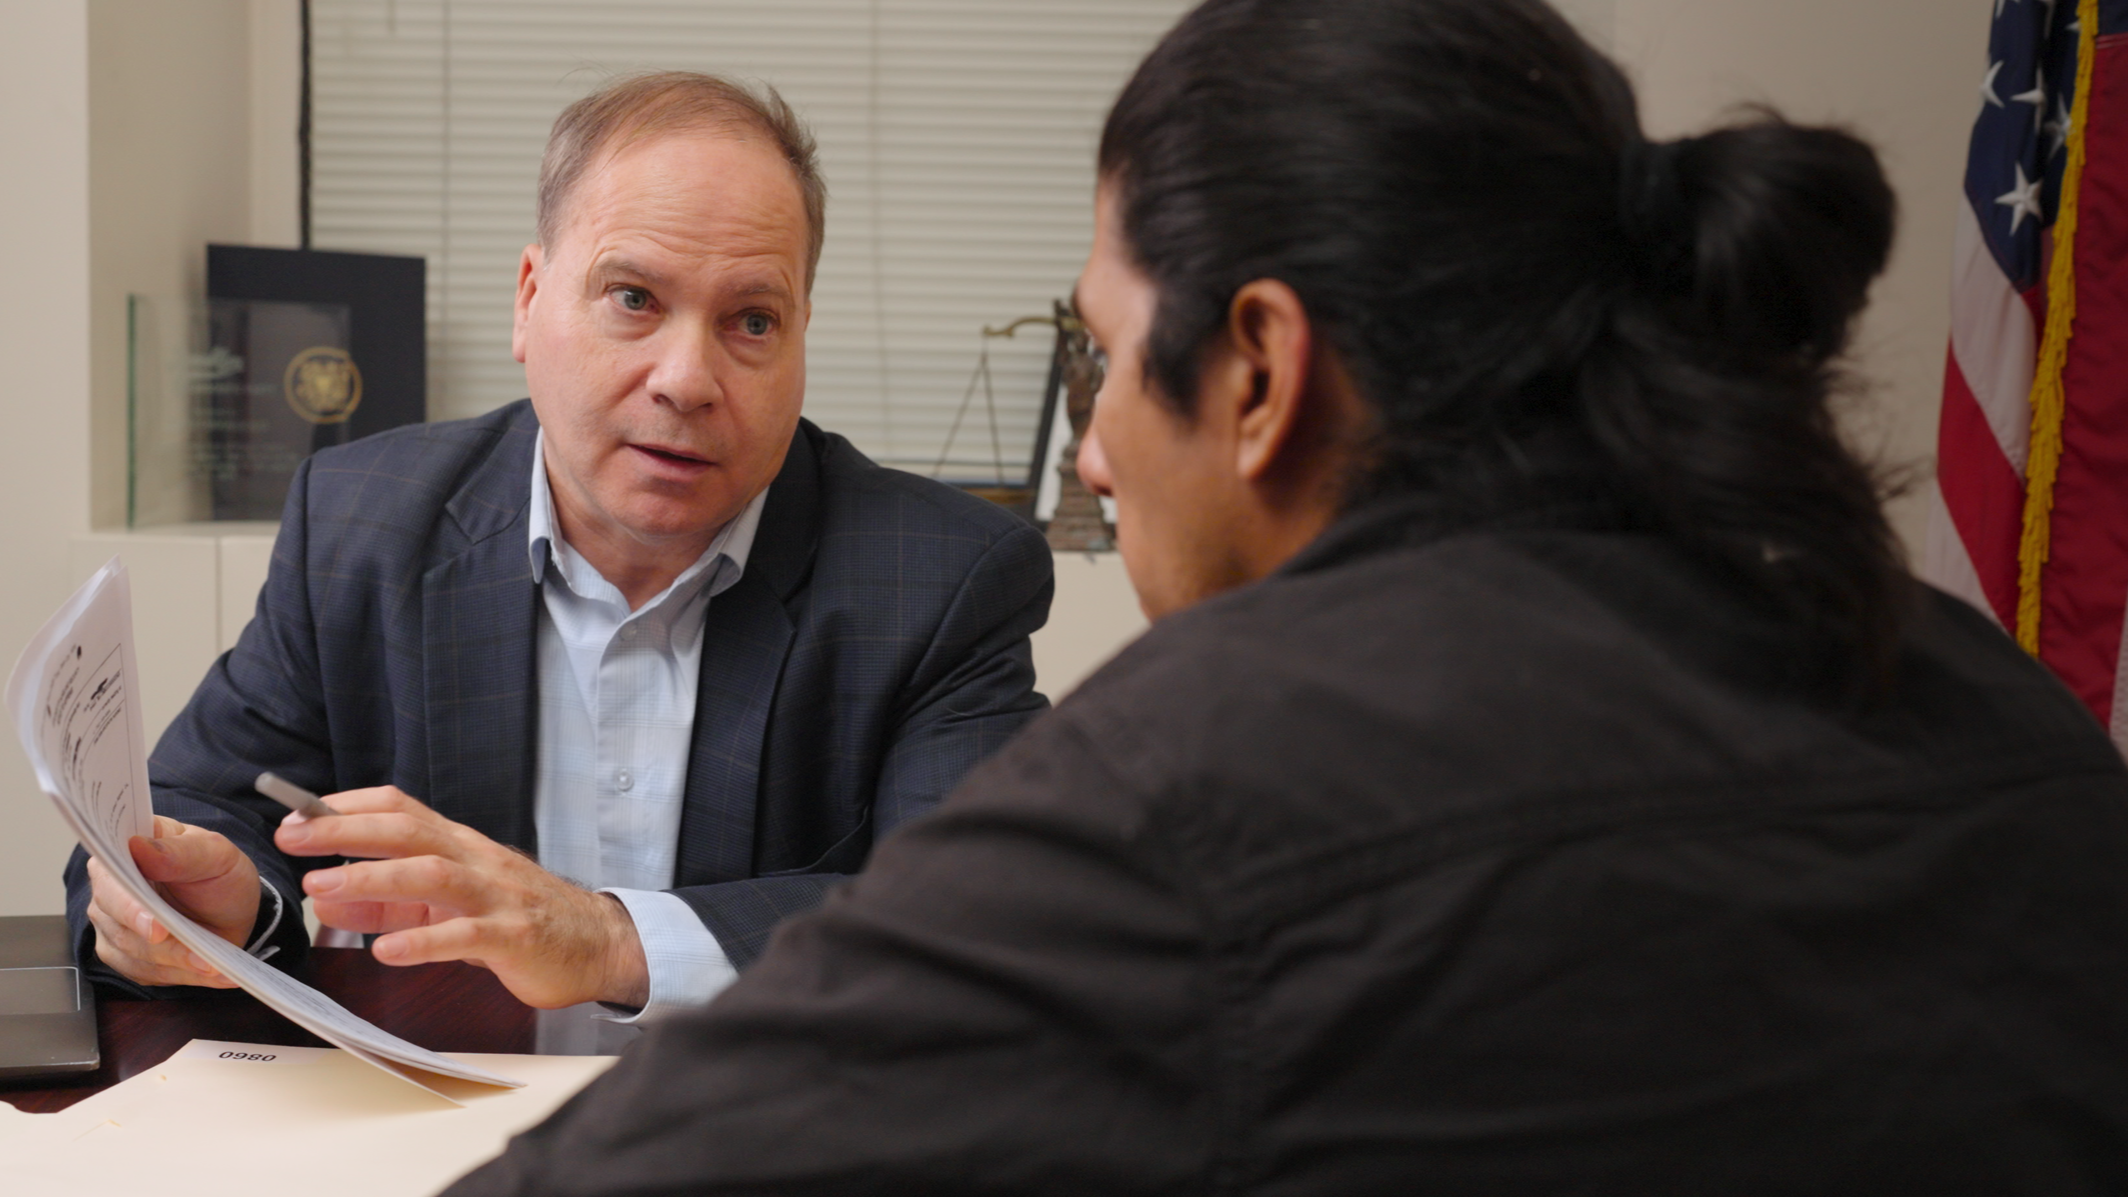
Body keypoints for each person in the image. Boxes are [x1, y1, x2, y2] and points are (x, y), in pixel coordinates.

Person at [441, 0, 2128, 1190]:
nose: (1092, 447)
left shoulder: (1191, 786)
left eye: (1105, 357)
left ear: (1256, 369)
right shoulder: (2000, 713)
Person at [62, 72, 1055, 1018]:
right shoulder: (363, 522)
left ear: (800, 340)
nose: (686, 378)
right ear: (529, 300)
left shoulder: (941, 580)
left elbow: (971, 928)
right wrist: (214, 906)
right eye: (634, 298)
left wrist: (602, 939)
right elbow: (191, 809)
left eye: (752, 320)